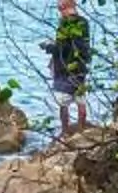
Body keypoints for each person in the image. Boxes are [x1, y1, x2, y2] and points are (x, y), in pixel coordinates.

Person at [45, 0, 94, 135]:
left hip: (65, 68)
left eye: (60, 8)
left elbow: (63, 47)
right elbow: (80, 45)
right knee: (81, 99)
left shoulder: (65, 23)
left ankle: (65, 133)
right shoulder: (84, 22)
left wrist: (49, 48)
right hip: (81, 66)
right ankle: (81, 131)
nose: (60, 12)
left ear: (66, 7)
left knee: (63, 103)